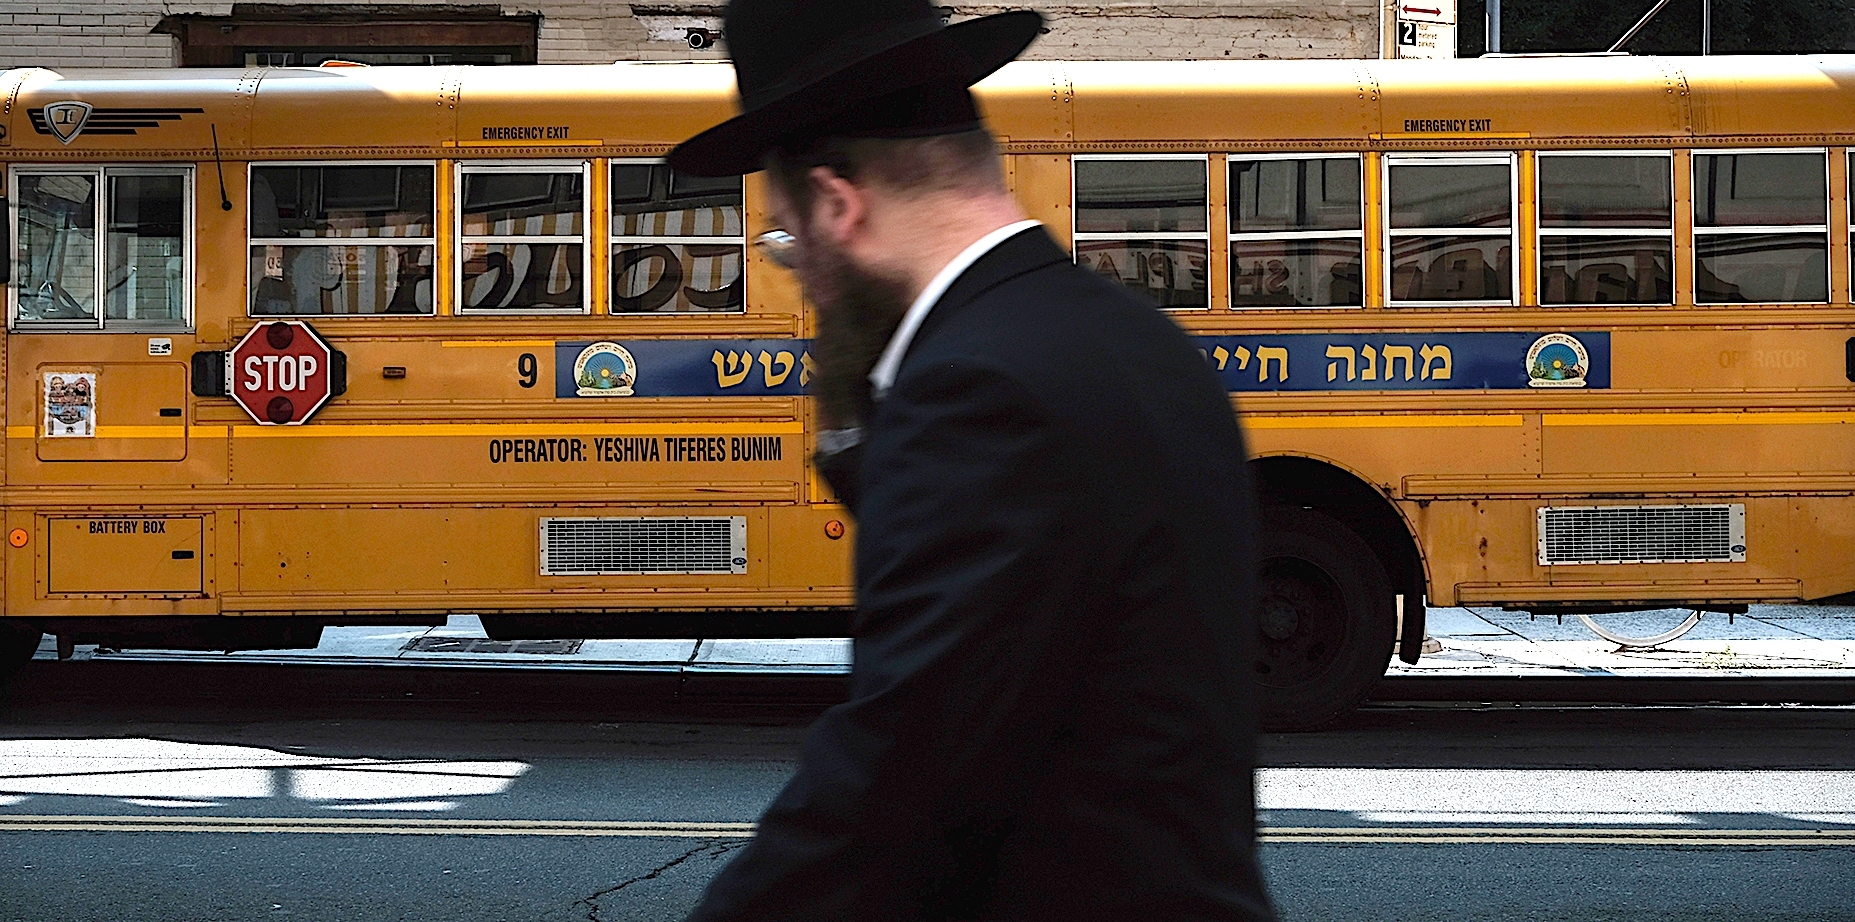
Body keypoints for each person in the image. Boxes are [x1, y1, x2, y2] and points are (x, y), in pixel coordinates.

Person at [669, 1, 1276, 919]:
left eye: (787, 240)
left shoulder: (974, 389)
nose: (796, 270)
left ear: (838, 203)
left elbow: (895, 789)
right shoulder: (1135, 338)